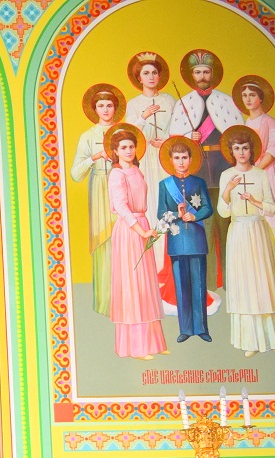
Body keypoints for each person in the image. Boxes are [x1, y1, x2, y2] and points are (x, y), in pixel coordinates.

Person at [169, 50, 244, 288]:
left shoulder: (226, 101)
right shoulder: (184, 103)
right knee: (205, 226)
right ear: (192, 76)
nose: (202, 76)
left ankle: (232, 281)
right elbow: (175, 139)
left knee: (227, 225)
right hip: (199, 170)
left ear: (213, 74)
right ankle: (210, 283)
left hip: (223, 167)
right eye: (198, 72)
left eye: (206, 71)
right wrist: (187, 136)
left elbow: (236, 131)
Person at [217, 126, 275, 356]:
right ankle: (250, 342)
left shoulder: (260, 175)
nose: (241, 152)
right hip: (238, 233)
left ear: (251, 150)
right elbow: (223, 212)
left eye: (245, 148)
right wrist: (228, 190)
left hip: (258, 231)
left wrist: (255, 201)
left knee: (264, 282)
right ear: (231, 151)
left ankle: (273, 340)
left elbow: (272, 208)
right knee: (244, 284)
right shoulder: (226, 176)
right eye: (237, 148)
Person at [236, 76, 275, 316]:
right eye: (244, 95)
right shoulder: (246, 123)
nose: (248, 99)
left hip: (270, 176)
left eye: (252, 95)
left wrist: (256, 170)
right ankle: (265, 302)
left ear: (261, 98)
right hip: (252, 178)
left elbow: (274, 149)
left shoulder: (269, 121)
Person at [106, 126, 168, 360]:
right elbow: (121, 207)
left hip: (143, 225)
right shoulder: (117, 174)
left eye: (131, 146)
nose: (128, 151)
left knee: (146, 284)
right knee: (132, 285)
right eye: (123, 147)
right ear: (115, 151)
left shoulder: (137, 172)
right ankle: (136, 347)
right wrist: (141, 231)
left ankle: (154, 343)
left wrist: (146, 228)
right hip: (129, 230)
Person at [70, 85, 122, 315]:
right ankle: (106, 303)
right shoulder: (88, 136)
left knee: (124, 240)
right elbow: (75, 173)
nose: (105, 109)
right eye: (101, 105)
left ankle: (125, 302)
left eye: (109, 105)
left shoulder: (123, 131)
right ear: (95, 109)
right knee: (104, 241)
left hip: (121, 186)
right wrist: (95, 157)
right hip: (100, 186)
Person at [124, 52, 172, 289]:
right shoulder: (134, 104)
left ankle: (168, 269)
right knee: (150, 208)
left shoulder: (170, 100)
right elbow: (128, 134)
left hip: (166, 158)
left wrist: (167, 141)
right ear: (139, 78)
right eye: (146, 73)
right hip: (145, 161)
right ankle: (151, 268)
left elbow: (179, 128)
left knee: (167, 208)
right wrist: (143, 116)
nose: (151, 76)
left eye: (154, 72)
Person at [158, 137, 214, 343]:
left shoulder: (199, 183)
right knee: (182, 288)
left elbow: (208, 208)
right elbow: (160, 213)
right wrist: (177, 213)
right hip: (177, 242)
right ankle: (186, 329)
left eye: (184, 157)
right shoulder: (164, 185)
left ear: (190, 159)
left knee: (199, 286)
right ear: (171, 160)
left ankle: (201, 328)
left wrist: (194, 216)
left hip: (196, 240)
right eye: (177, 158)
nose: (181, 162)